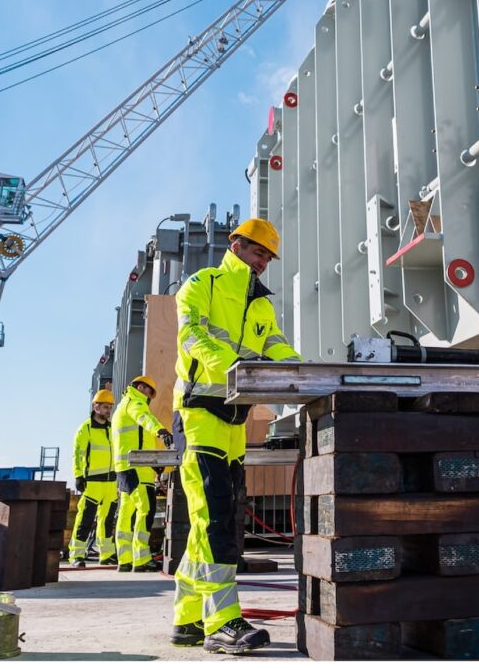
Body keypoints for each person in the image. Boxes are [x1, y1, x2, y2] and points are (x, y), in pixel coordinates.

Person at [170, 218, 300, 653]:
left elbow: (276, 346)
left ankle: (187, 618)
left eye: (268, 256)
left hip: (234, 420)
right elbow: (192, 336)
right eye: (259, 252)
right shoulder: (200, 284)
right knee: (215, 519)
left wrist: (299, 374)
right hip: (199, 415)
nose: (264, 262)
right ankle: (221, 624)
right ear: (237, 245)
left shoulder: (262, 304)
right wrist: (236, 370)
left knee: (212, 520)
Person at [111, 375, 173, 573]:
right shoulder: (134, 403)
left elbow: (139, 439)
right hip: (136, 468)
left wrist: (154, 463)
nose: (149, 397)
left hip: (127, 467)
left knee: (127, 512)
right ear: (140, 387)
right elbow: (145, 419)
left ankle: (125, 558)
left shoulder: (123, 406)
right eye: (149, 392)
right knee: (145, 509)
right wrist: (162, 431)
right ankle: (141, 558)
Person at [69, 387, 117, 567]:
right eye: (105, 407)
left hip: (111, 482)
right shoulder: (85, 429)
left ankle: (106, 555)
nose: (108, 410)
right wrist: (78, 476)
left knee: (107, 521)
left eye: (110, 407)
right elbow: (77, 453)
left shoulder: (112, 429)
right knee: (85, 519)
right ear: (96, 407)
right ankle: (76, 555)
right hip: (92, 482)